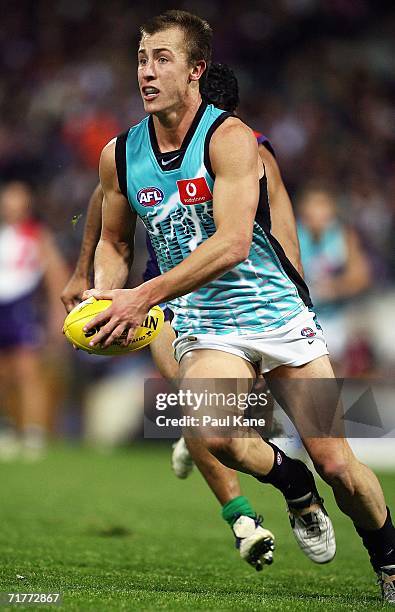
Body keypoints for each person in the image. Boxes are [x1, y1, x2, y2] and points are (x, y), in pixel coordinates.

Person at [86, 10, 394, 602]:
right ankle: (291, 481)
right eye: (141, 60)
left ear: (197, 69)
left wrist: (140, 297)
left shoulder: (229, 138)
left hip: (275, 315)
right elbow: (114, 239)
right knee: (215, 430)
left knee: (339, 462)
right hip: (207, 323)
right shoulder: (119, 154)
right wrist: (105, 291)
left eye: (162, 60)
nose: (146, 73)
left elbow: (230, 244)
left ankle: (388, 554)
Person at [62, 61, 329, 572]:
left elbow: (281, 229)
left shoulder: (248, 148)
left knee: (234, 418)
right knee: (202, 411)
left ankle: (286, 486)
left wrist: (297, 297)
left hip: (247, 298)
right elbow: (104, 195)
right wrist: (85, 276)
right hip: (171, 297)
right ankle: (242, 518)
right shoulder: (139, 150)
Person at [0, 181, 69, 460]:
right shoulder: (4, 235)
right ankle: (6, 428)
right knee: (3, 373)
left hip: (22, 305)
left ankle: (33, 433)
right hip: (2, 306)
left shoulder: (36, 235)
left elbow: (55, 274)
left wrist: (57, 313)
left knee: (27, 371)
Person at [297, 184, 371, 374]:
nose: (318, 212)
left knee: (332, 371)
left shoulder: (343, 236)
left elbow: (361, 277)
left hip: (334, 317)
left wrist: (335, 288)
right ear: (303, 209)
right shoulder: (292, 234)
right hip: (299, 315)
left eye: (323, 206)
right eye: (313, 206)